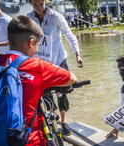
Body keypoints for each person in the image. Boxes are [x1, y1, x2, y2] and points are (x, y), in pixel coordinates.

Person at [0, 15, 77, 146]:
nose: (37, 50)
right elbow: (72, 78)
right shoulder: (37, 66)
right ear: (31, 43)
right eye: (38, 45)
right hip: (26, 145)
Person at [27, 0, 84, 136]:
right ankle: (53, 115)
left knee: (62, 92)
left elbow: (69, 34)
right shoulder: (29, 17)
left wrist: (77, 54)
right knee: (45, 92)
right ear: (31, 3)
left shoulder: (56, 16)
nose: (39, 8)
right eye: (36, 5)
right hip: (41, 62)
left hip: (58, 59)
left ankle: (64, 122)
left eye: (41, 4)